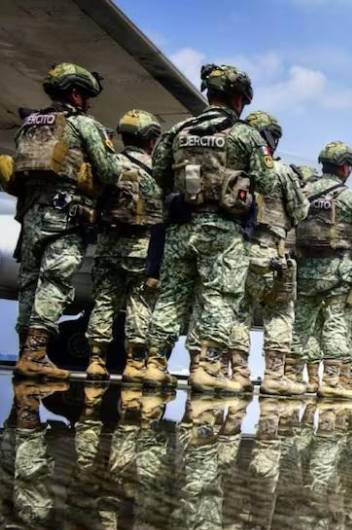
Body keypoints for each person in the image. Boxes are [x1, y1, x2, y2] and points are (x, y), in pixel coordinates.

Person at [142, 63, 274, 392]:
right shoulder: (246, 135)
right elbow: (267, 181)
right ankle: (206, 367)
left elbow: (159, 174)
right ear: (239, 99)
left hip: (181, 227)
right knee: (219, 298)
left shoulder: (179, 130)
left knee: (171, 296)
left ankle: (154, 364)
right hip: (223, 231)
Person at [12, 62, 120, 380]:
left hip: (31, 215)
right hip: (66, 216)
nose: (88, 104)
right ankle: (35, 355)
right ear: (75, 94)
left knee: (29, 283)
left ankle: (25, 353)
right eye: (86, 97)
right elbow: (110, 172)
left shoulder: (29, 124)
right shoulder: (83, 124)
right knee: (55, 281)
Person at [291, 141, 352, 398]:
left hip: (305, 270)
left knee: (301, 324)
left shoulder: (304, 192)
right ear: (345, 167)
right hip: (338, 273)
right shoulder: (351, 197)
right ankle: (331, 382)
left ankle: (289, 376)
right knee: (336, 324)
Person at [225, 110, 307, 395]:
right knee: (280, 312)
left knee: (239, 311)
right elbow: (300, 211)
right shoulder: (280, 171)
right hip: (271, 253)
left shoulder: (233, 169)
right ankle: (274, 376)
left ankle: (238, 373)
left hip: (237, 251)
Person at [83, 109, 163, 383]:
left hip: (108, 246)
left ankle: (95, 361)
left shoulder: (110, 165)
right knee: (140, 304)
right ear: (151, 140)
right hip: (142, 249)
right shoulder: (158, 171)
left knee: (104, 302)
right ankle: (134, 363)